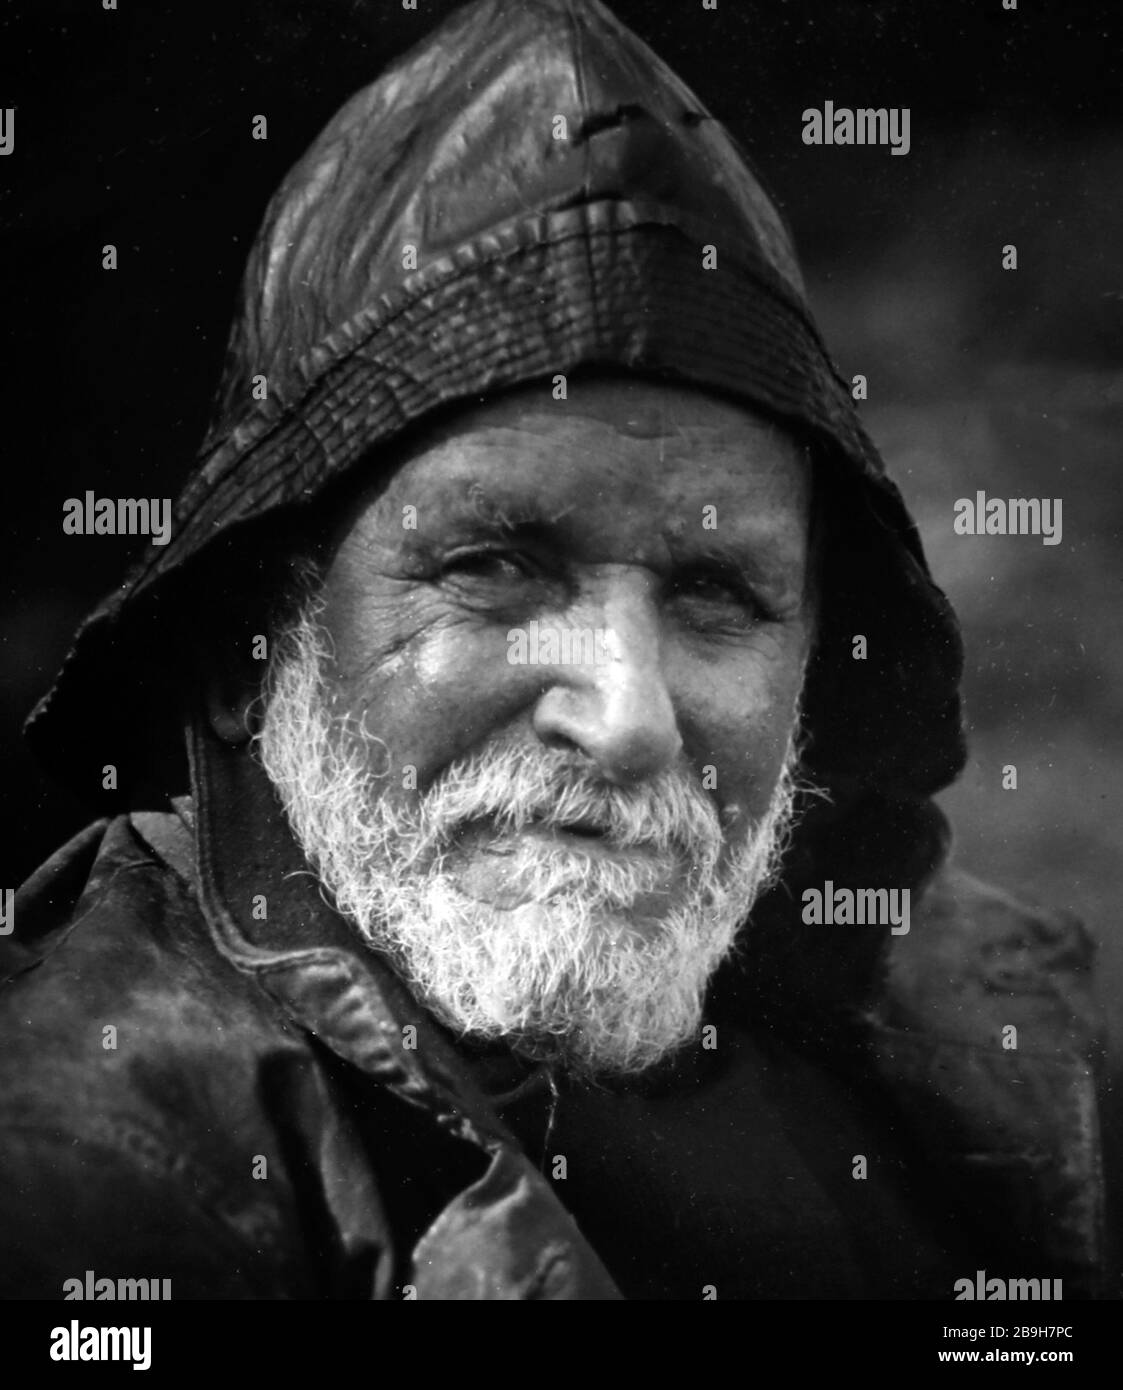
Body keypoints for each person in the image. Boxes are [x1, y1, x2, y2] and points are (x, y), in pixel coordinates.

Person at [0, 0, 1106, 1300]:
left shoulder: (1017, 1052)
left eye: (717, 592)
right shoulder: (86, 1160)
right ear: (250, 650)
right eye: (493, 566)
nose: (630, 714)